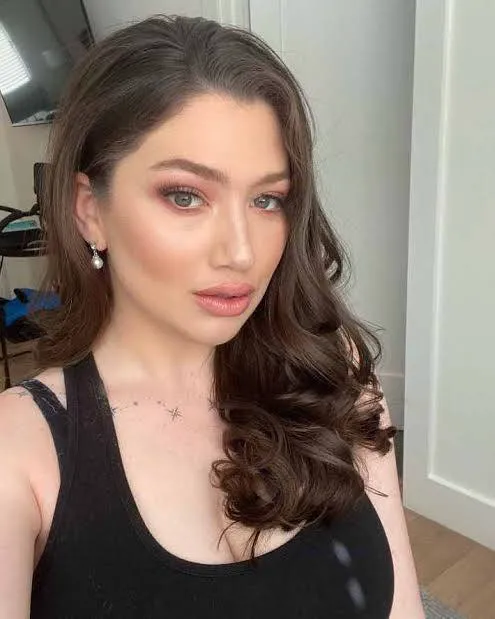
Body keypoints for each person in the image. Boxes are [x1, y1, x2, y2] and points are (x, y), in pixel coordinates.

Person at [0, 15, 425, 618]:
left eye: (267, 199)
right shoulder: (19, 452)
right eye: (185, 196)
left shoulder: (334, 372)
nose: (242, 252)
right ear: (89, 210)